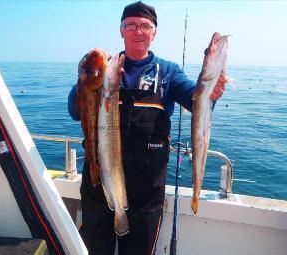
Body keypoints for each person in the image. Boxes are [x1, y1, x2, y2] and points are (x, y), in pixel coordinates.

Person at [68, 1, 226, 254]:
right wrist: (85, 79)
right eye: (130, 25)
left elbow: (193, 99)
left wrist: (210, 93)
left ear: (154, 32)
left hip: (147, 183)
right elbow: (76, 111)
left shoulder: (168, 72)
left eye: (145, 26)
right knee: (94, 247)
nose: (138, 31)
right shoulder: (104, 68)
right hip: (99, 174)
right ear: (121, 31)